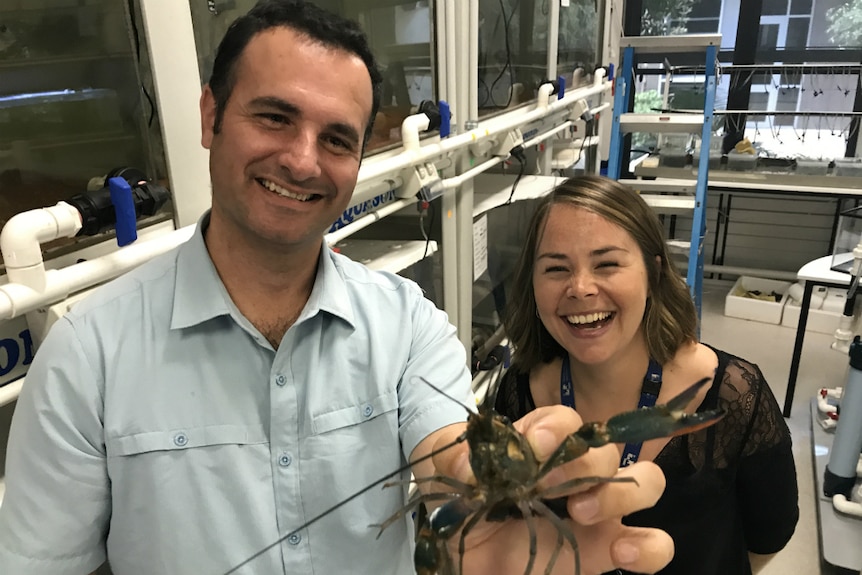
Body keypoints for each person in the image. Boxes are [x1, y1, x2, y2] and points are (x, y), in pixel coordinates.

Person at [0, 3, 674, 575]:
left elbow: (449, 453)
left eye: (336, 138)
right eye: (273, 118)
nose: (300, 159)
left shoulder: (408, 325)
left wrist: (506, 480)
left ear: (358, 160)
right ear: (210, 117)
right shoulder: (86, 356)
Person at [494, 175, 800, 575]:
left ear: (653, 273)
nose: (581, 288)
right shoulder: (519, 393)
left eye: (606, 264)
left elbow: (768, 535)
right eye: (555, 268)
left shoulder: (733, 394)